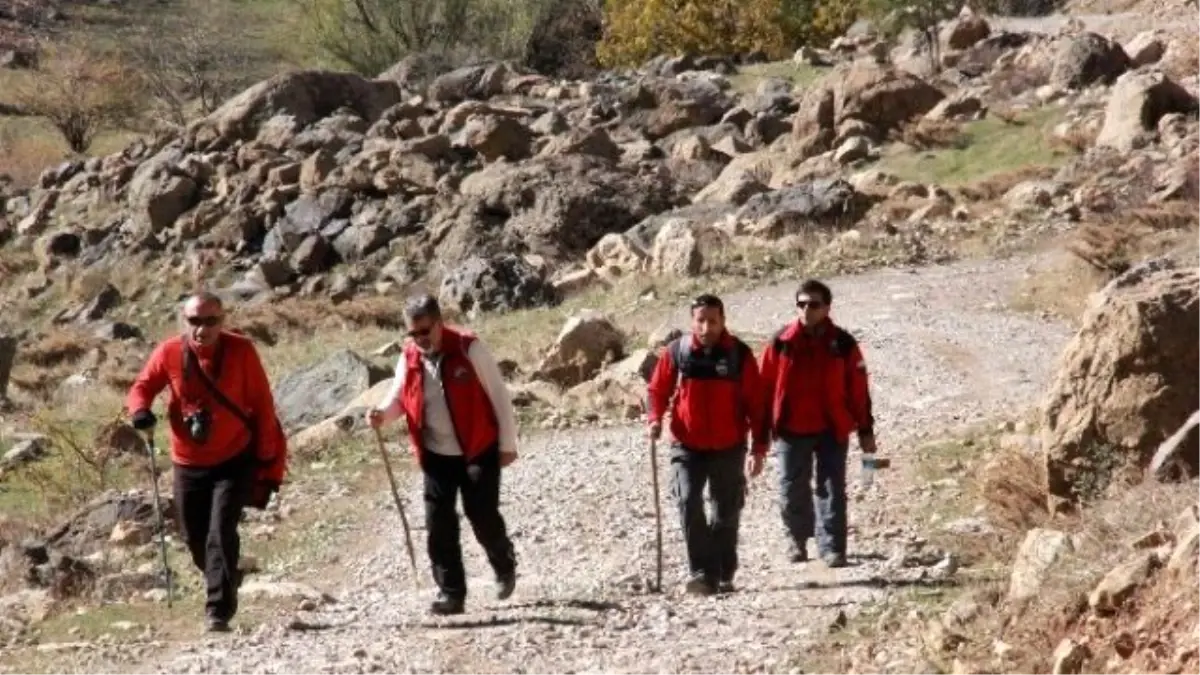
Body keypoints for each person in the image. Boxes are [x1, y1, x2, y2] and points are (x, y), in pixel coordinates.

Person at [125, 291, 288, 632]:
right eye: (195, 321)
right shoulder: (169, 351)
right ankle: (228, 573)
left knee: (220, 530)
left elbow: (262, 404)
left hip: (235, 457)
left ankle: (218, 610)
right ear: (184, 322)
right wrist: (140, 411)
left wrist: (267, 458)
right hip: (188, 461)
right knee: (193, 537)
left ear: (223, 320)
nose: (202, 329)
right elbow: (142, 386)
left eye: (211, 321)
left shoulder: (242, 350)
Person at [367, 293, 519, 616]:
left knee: (481, 513)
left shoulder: (469, 348)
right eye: (413, 333)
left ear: (439, 323)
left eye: (425, 331)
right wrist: (381, 414)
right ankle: (451, 592)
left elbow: (499, 397)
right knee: (438, 522)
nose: (420, 339)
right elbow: (398, 399)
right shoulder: (409, 357)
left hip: (479, 446)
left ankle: (503, 560)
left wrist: (507, 445)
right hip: (437, 453)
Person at [646, 294, 768, 595]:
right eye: (700, 321)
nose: (706, 327)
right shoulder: (678, 352)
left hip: (729, 444)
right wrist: (655, 418)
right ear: (692, 322)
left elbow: (757, 405)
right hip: (687, 445)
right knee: (687, 501)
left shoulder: (739, 355)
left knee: (725, 510)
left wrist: (758, 449)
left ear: (723, 321)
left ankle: (723, 572)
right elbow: (657, 389)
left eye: (712, 321)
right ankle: (701, 571)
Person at [758, 279, 877, 569]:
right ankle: (796, 540)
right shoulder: (781, 342)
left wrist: (865, 429)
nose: (807, 310)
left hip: (831, 427)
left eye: (814, 304)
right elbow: (763, 388)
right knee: (790, 487)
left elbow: (859, 389)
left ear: (827, 308)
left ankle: (833, 547)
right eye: (801, 304)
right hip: (790, 428)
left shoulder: (843, 344)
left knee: (832, 487)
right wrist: (759, 437)